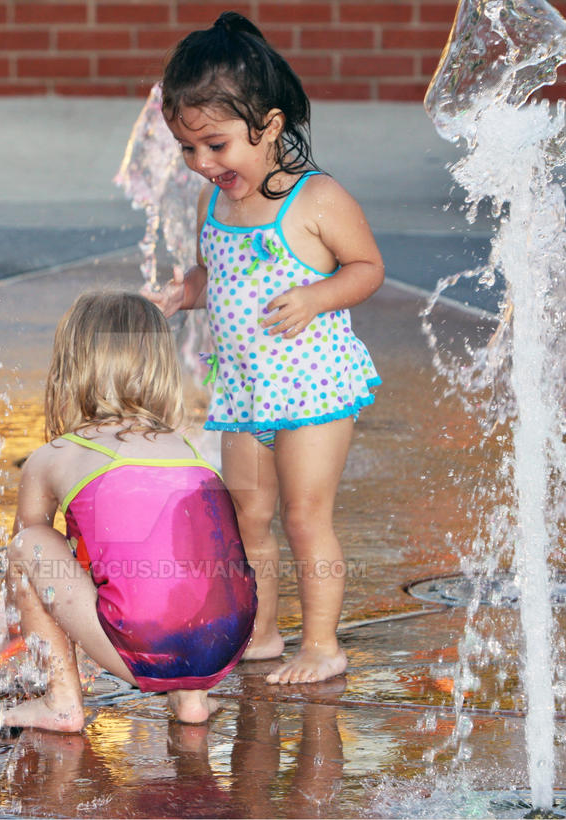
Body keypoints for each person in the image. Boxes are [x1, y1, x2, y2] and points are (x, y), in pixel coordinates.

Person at [144, 11, 385, 685]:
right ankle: (261, 633)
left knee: (307, 517)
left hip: (313, 392)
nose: (202, 164)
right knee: (248, 517)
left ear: (270, 127)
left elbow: (366, 269)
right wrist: (183, 292)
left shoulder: (318, 199)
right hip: (246, 394)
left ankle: (322, 643)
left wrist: (315, 297)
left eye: (216, 146)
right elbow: (214, 275)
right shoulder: (212, 206)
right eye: (188, 150)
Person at [0, 290, 257, 731]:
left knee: (29, 545)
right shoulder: (186, 448)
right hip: (229, 639)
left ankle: (61, 701)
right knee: (182, 559)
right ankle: (192, 700)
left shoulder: (55, 456)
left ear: (69, 370)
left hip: (146, 647)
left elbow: (26, 563)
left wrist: (12, 630)